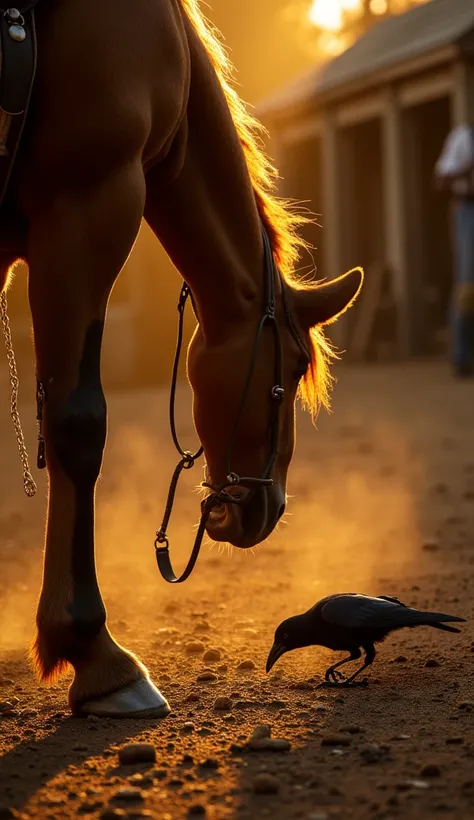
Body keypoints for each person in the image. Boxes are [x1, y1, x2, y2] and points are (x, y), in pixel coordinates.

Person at [435, 123, 474, 377]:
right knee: (467, 282)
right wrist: (467, 169)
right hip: (468, 210)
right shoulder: (463, 137)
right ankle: (461, 356)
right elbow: (440, 181)